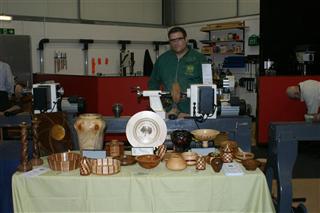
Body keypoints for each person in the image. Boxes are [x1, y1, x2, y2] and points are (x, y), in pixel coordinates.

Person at [148, 26, 207, 117]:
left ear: (186, 39)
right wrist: (158, 107)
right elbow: (153, 83)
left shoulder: (200, 59)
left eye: (179, 39)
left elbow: (208, 85)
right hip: (168, 110)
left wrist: (203, 108)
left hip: (190, 111)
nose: (176, 43)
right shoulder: (162, 60)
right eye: (173, 40)